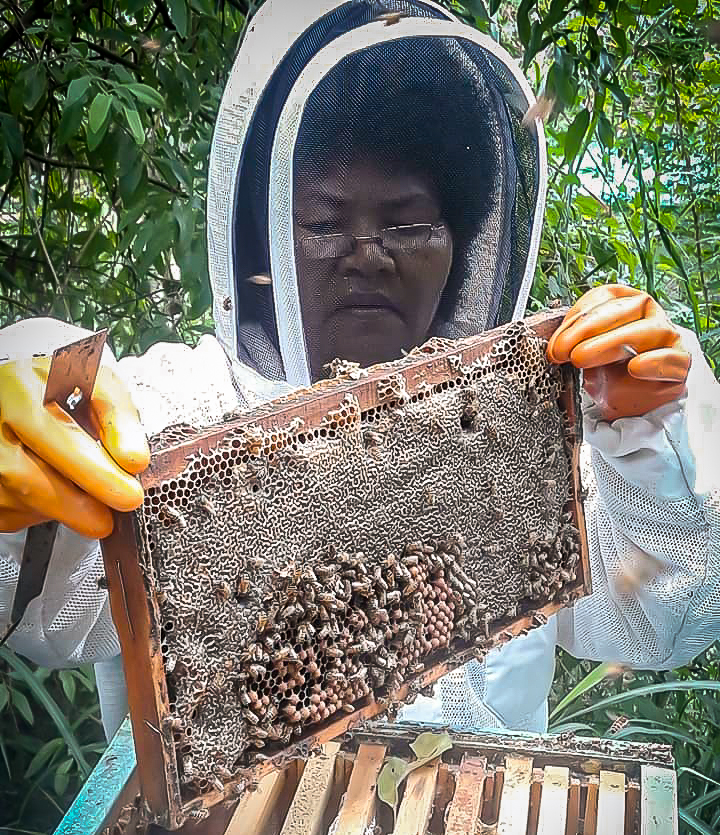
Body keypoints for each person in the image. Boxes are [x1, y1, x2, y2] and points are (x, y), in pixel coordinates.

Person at [1, 0, 717, 741]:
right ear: (268, 241)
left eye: (408, 223)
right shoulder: (186, 408)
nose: (368, 252)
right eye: (323, 223)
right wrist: (30, 444)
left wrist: (649, 437)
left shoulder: (525, 428)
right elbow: (40, 605)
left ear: (463, 247)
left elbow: (666, 616)